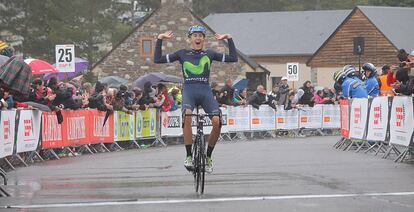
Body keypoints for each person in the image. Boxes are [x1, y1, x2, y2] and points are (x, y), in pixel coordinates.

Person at [154, 25, 238, 173]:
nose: (198, 38)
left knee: (217, 121)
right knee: (187, 116)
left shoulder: (209, 54)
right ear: (190, 38)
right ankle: (189, 156)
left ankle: (208, 157)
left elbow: (233, 58)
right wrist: (160, 39)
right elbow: (157, 59)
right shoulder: (182, 53)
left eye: (200, 36)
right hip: (189, 91)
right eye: (195, 36)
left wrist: (229, 38)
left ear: (203, 39)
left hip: (205, 91)